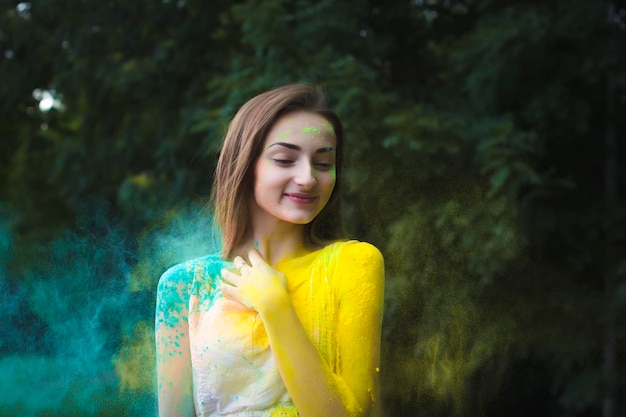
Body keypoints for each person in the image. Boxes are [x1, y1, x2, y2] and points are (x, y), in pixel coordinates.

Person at [155, 83, 384, 417]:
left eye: (323, 164)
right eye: (285, 159)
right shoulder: (185, 285)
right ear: (246, 165)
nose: (307, 178)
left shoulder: (353, 264)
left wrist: (275, 306)